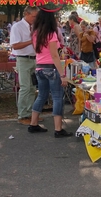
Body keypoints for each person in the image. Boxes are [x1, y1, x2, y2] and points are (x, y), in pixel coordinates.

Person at [29, 9, 73, 137]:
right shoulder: (51, 34)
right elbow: (54, 55)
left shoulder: (35, 33)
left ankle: (33, 124)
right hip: (51, 68)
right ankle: (58, 129)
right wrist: (63, 75)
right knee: (57, 97)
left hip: (39, 68)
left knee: (41, 96)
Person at [10, 6, 42, 125]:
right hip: (23, 60)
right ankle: (22, 115)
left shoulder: (35, 26)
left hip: (34, 59)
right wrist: (31, 41)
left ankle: (30, 113)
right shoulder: (17, 27)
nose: (35, 19)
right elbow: (15, 45)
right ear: (27, 14)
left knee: (33, 87)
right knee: (25, 87)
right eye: (34, 16)